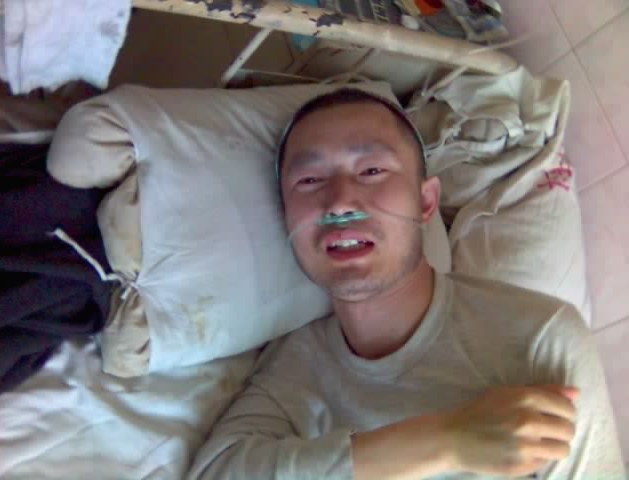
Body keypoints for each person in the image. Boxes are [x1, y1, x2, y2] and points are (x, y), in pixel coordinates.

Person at [187, 88, 626, 479]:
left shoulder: (538, 340)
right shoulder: (293, 368)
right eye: (310, 180)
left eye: (372, 171)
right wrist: (445, 441)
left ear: (425, 201)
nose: (339, 202)